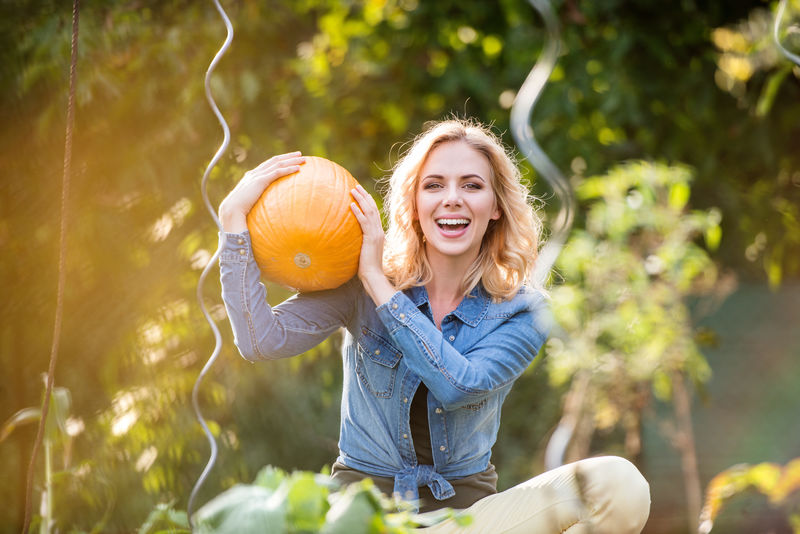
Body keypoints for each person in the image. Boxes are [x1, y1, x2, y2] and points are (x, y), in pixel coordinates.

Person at [217, 118, 651, 533]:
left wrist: (378, 285)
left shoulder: (523, 311)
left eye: (472, 186)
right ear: (414, 203)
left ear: (496, 207)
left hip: (466, 521)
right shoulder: (361, 282)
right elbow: (260, 341)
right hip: (364, 519)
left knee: (619, 484)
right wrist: (233, 219)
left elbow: (458, 385)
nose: (452, 199)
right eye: (434, 185)